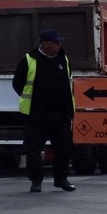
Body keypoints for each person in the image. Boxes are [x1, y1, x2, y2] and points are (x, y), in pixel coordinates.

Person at [12, 29, 77, 193]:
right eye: (56, 42)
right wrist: (34, 102)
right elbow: (17, 84)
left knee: (64, 148)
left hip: (60, 113)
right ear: (45, 44)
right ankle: (36, 180)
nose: (59, 45)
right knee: (33, 149)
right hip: (37, 114)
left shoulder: (64, 59)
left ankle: (61, 179)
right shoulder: (29, 60)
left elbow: (67, 83)